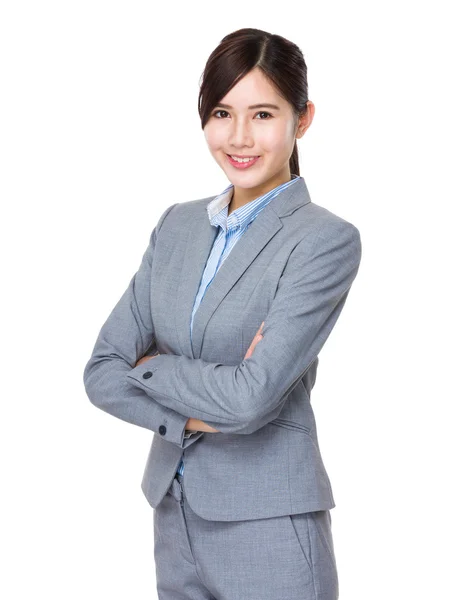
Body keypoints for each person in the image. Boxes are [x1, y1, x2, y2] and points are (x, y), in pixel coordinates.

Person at [83, 27, 362, 600]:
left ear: (302, 119)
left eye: (263, 114)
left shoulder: (322, 241)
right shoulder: (177, 226)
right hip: (173, 515)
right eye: (221, 112)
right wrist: (189, 418)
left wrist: (155, 365)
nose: (239, 137)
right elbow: (101, 371)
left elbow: (249, 398)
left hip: (269, 525)